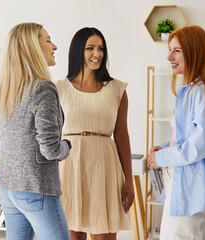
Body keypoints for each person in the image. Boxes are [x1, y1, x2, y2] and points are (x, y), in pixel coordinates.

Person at [0, 22, 72, 240]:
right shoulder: (43, 88)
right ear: (33, 47)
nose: (55, 46)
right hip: (36, 187)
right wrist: (68, 146)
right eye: (48, 40)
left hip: (8, 187)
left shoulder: (2, 86)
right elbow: (51, 149)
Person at [147, 25, 205, 240]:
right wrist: (163, 148)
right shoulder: (193, 90)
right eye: (170, 49)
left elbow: (202, 144)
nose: (169, 57)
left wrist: (162, 157)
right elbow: (186, 138)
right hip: (183, 186)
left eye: (177, 51)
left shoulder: (203, 92)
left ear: (194, 52)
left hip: (191, 190)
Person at [53, 27, 132, 240]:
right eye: (90, 48)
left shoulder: (117, 89)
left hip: (105, 169)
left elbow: (122, 136)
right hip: (70, 169)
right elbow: (49, 137)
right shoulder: (59, 88)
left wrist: (129, 181)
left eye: (101, 48)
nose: (97, 54)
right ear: (78, 51)